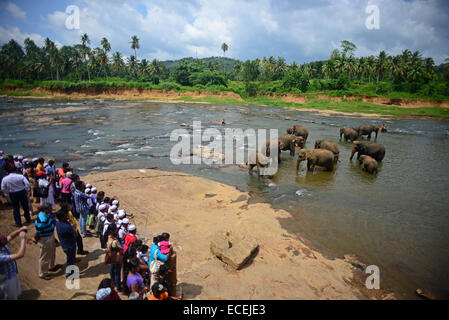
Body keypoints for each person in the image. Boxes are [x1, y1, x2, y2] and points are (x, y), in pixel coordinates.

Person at [0, 226, 27, 300]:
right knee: (11, 297)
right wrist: (23, 239)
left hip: (11, 274)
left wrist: (19, 230)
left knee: (15, 294)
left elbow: (10, 236)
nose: (5, 244)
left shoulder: (2, 245)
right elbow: (20, 254)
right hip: (6, 281)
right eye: (3, 244)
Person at [33, 203, 59, 280]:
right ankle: (43, 273)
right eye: (50, 208)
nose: (52, 209)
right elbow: (38, 231)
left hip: (50, 236)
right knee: (44, 256)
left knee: (51, 252)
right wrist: (35, 239)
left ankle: (52, 266)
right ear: (45, 209)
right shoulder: (42, 219)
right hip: (45, 238)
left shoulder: (47, 215)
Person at [55, 209, 77, 278]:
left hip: (65, 244)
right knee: (70, 260)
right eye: (66, 215)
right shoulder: (66, 226)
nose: (68, 215)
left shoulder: (58, 223)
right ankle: (69, 274)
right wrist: (73, 227)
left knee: (70, 259)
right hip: (70, 245)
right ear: (62, 217)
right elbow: (75, 234)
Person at [106, 224, 123, 292]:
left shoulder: (109, 237)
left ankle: (113, 282)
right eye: (115, 229)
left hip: (111, 256)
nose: (117, 230)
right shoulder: (115, 241)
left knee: (112, 270)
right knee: (117, 272)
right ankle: (118, 286)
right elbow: (121, 249)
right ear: (112, 231)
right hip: (116, 257)